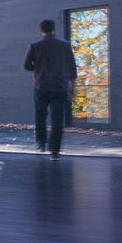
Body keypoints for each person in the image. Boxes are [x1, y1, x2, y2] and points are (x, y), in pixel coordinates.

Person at [23, 19, 77, 160]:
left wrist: (38, 68)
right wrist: (72, 89)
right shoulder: (65, 45)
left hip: (40, 86)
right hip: (60, 86)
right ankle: (54, 152)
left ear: (41, 30)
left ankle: (41, 143)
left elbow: (26, 65)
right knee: (57, 120)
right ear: (54, 29)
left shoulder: (35, 46)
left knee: (40, 115)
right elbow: (72, 68)